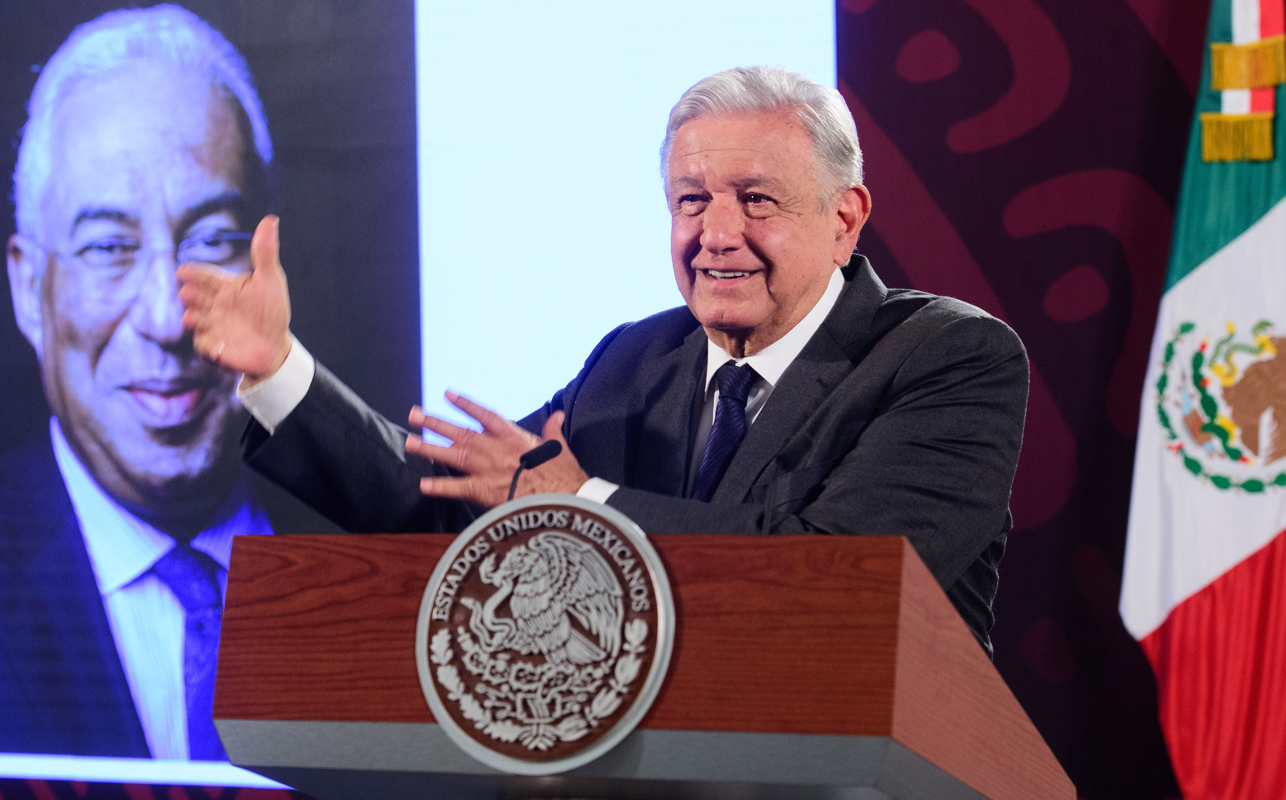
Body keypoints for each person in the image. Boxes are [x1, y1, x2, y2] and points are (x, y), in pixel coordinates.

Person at [179, 66, 1029, 655]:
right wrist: (278, 367)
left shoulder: (947, 357)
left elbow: (850, 574)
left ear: (846, 219)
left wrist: (582, 504)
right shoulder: (636, 361)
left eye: (756, 200)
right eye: (691, 201)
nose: (716, 233)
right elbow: (445, 507)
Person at [0, 5, 317, 760]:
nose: (165, 319)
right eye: (107, 246)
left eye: (213, 241)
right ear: (25, 286)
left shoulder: (378, 544)